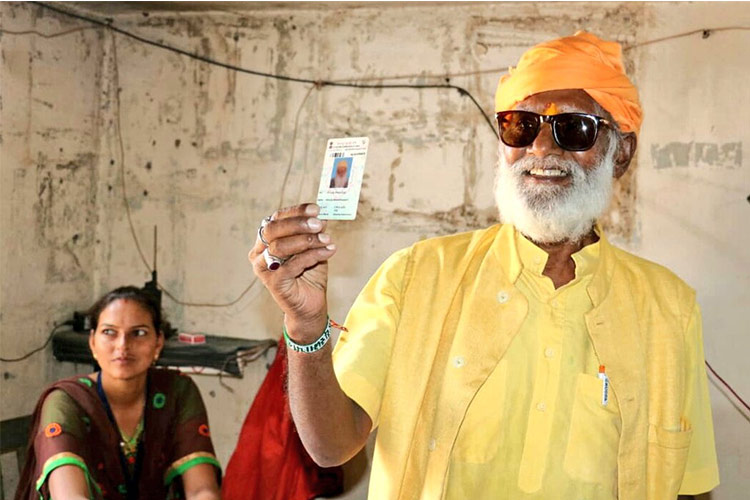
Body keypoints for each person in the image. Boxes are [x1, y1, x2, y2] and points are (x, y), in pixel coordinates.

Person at [249, 32, 719, 500]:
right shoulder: (417, 276)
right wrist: (307, 326)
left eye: (574, 129)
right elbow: (330, 448)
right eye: (521, 125)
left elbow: (691, 487)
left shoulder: (669, 308)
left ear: (621, 154)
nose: (541, 149)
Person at [16, 286, 221, 500]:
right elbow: (70, 496)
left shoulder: (177, 392)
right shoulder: (67, 400)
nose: (123, 346)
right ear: (93, 342)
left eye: (139, 333)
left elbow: (201, 490)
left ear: (158, 343)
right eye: (109, 332)